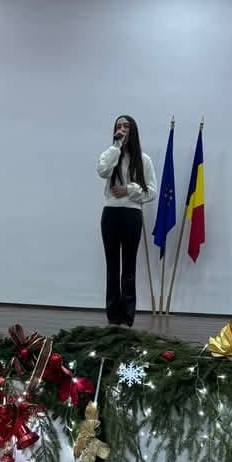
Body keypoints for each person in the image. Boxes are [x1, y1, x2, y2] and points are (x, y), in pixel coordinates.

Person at [97, 115, 157, 326]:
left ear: (133, 131)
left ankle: (127, 318)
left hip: (132, 215)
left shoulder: (144, 160)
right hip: (111, 213)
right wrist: (116, 146)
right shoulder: (110, 154)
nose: (122, 129)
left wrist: (129, 190)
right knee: (112, 267)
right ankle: (113, 316)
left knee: (129, 268)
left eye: (126, 126)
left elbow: (152, 192)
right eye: (118, 126)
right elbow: (102, 171)